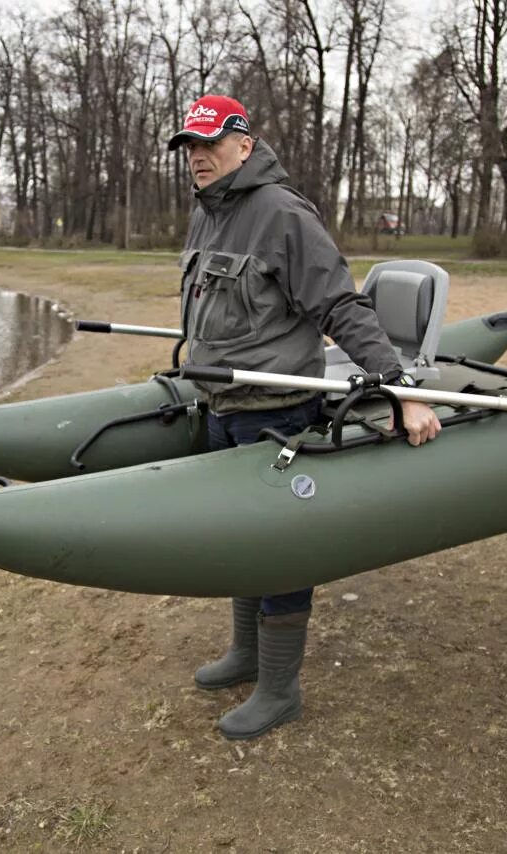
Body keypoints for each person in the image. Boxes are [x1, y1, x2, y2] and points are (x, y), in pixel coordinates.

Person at [169, 94, 442, 740]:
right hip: (220, 405)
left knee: (280, 547)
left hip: (275, 414)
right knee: (237, 539)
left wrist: (400, 389)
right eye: (189, 148)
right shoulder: (207, 213)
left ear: (245, 142)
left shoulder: (282, 214)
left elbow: (342, 308)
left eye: (209, 144)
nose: (197, 158)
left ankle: (280, 688)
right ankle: (245, 654)